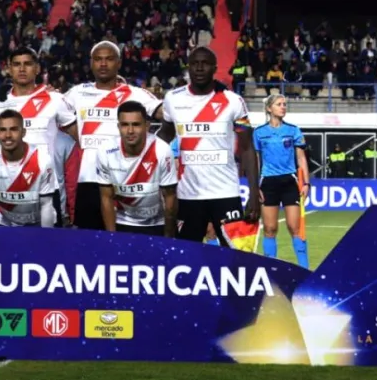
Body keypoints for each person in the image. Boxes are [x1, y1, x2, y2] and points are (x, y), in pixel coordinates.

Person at [160, 47, 262, 248]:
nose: (199, 68)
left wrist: (254, 192)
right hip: (187, 195)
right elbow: (164, 135)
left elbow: (247, 148)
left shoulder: (233, 101)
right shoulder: (173, 98)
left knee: (236, 258)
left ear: (215, 68)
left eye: (204, 63)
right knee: (186, 257)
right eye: (194, 64)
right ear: (188, 68)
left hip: (226, 194)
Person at [63, 41, 163, 230]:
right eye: (98, 59)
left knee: (124, 240)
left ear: (119, 63)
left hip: (124, 179)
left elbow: (163, 112)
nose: (103, 64)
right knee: (88, 243)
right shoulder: (76, 93)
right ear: (91, 63)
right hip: (88, 180)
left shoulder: (135, 94)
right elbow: (52, 111)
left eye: (109, 59)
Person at [0, 47, 78, 225]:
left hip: (45, 187)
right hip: (6, 189)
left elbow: (81, 137)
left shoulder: (55, 100)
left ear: (37, 68)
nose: (22, 69)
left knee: (48, 249)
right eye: (16, 65)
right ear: (9, 69)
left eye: (27, 64)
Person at [97, 101, 178, 237]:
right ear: (118, 126)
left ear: (147, 126)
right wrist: (111, 238)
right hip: (123, 222)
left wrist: (168, 238)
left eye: (136, 124)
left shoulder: (162, 150)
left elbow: (170, 197)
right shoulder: (105, 151)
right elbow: (106, 198)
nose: (130, 131)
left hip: (157, 223)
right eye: (124, 125)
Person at [252, 94, 311, 268]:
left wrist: (306, 183)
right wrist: (255, 186)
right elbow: (255, 161)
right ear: (269, 108)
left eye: (285, 104)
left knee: (295, 228)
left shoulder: (293, 130)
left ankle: (304, 269)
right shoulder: (259, 132)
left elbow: (301, 158)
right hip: (268, 183)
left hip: (289, 183)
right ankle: (270, 271)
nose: (283, 107)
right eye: (279, 104)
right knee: (270, 229)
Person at [0, 109, 58, 228]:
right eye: (3, 130)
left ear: (23, 132)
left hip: (38, 223)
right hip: (5, 222)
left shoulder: (43, 160)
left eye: (14, 129)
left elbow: (46, 205)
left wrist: (46, 238)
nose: (8, 135)